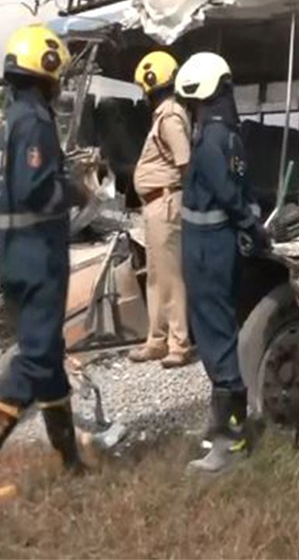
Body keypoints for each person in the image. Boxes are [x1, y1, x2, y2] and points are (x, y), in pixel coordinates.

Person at [0, 24, 86, 498]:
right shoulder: (35, 122)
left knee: (48, 359)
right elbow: (35, 188)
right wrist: (74, 187)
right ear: (45, 71)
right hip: (36, 253)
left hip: (10, 250)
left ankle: (70, 461)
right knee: (36, 357)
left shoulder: (8, 122)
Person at [174, 52, 269, 474]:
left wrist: (248, 220)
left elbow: (227, 194)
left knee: (215, 337)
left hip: (208, 246)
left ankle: (230, 440)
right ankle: (225, 424)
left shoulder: (210, 139)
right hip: (218, 243)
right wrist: (251, 222)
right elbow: (243, 190)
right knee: (217, 330)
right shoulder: (229, 136)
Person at [128, 50, 192, 369]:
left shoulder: (170, 117)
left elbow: (185, 162)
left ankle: (178, 344)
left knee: (171, 277)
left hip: (166, 202)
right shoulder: (164, 116)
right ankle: (157, 340)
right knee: (156, 277)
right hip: (156, 204)